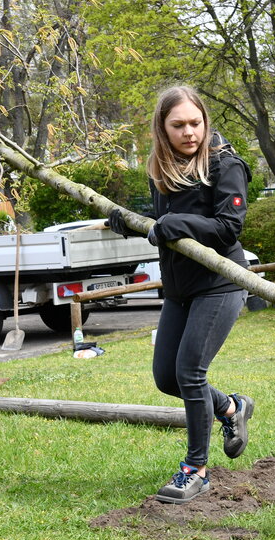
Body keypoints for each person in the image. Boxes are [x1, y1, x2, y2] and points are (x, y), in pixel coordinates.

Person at [107, 85, 255, 504]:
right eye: (179, 125)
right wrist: (132, 224)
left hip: (219, 283)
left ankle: (196, 470)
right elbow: (163, 225)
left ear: (205, 122)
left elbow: (228, 228)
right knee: (166, 378)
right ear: (162, 128)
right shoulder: (161, 168)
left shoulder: (225, 165)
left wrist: (175, 223)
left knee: (190, 372)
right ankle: (230, 408)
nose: (190, 132)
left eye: (196, 123)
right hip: (178, 289)